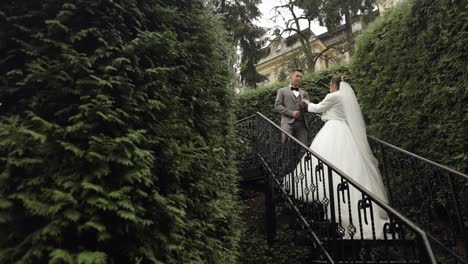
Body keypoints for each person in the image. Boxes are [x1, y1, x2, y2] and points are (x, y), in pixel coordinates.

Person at [299, 75, 389, 239]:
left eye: (330, 85)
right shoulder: (346, 98)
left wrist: (306, 103)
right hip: (346, 132)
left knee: (326, 160)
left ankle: (335, 203)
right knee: (350, 166)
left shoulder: (333, 95)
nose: (329, 88)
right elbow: (332, 112)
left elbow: (318, 108)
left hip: (333, 130)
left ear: (334, 85)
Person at [274, 68, 309, 146]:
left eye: (300, 77)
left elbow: (308, 109)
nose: (299, 78)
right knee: (287, 148)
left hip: (301, 124)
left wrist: (305, 106)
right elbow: (277, 106)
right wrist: (291, 113)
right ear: (290, 77)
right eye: (297, 76)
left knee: (304, 149)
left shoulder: (304, 92)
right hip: (287, 123)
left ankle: (302, 158)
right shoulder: (282, 91)